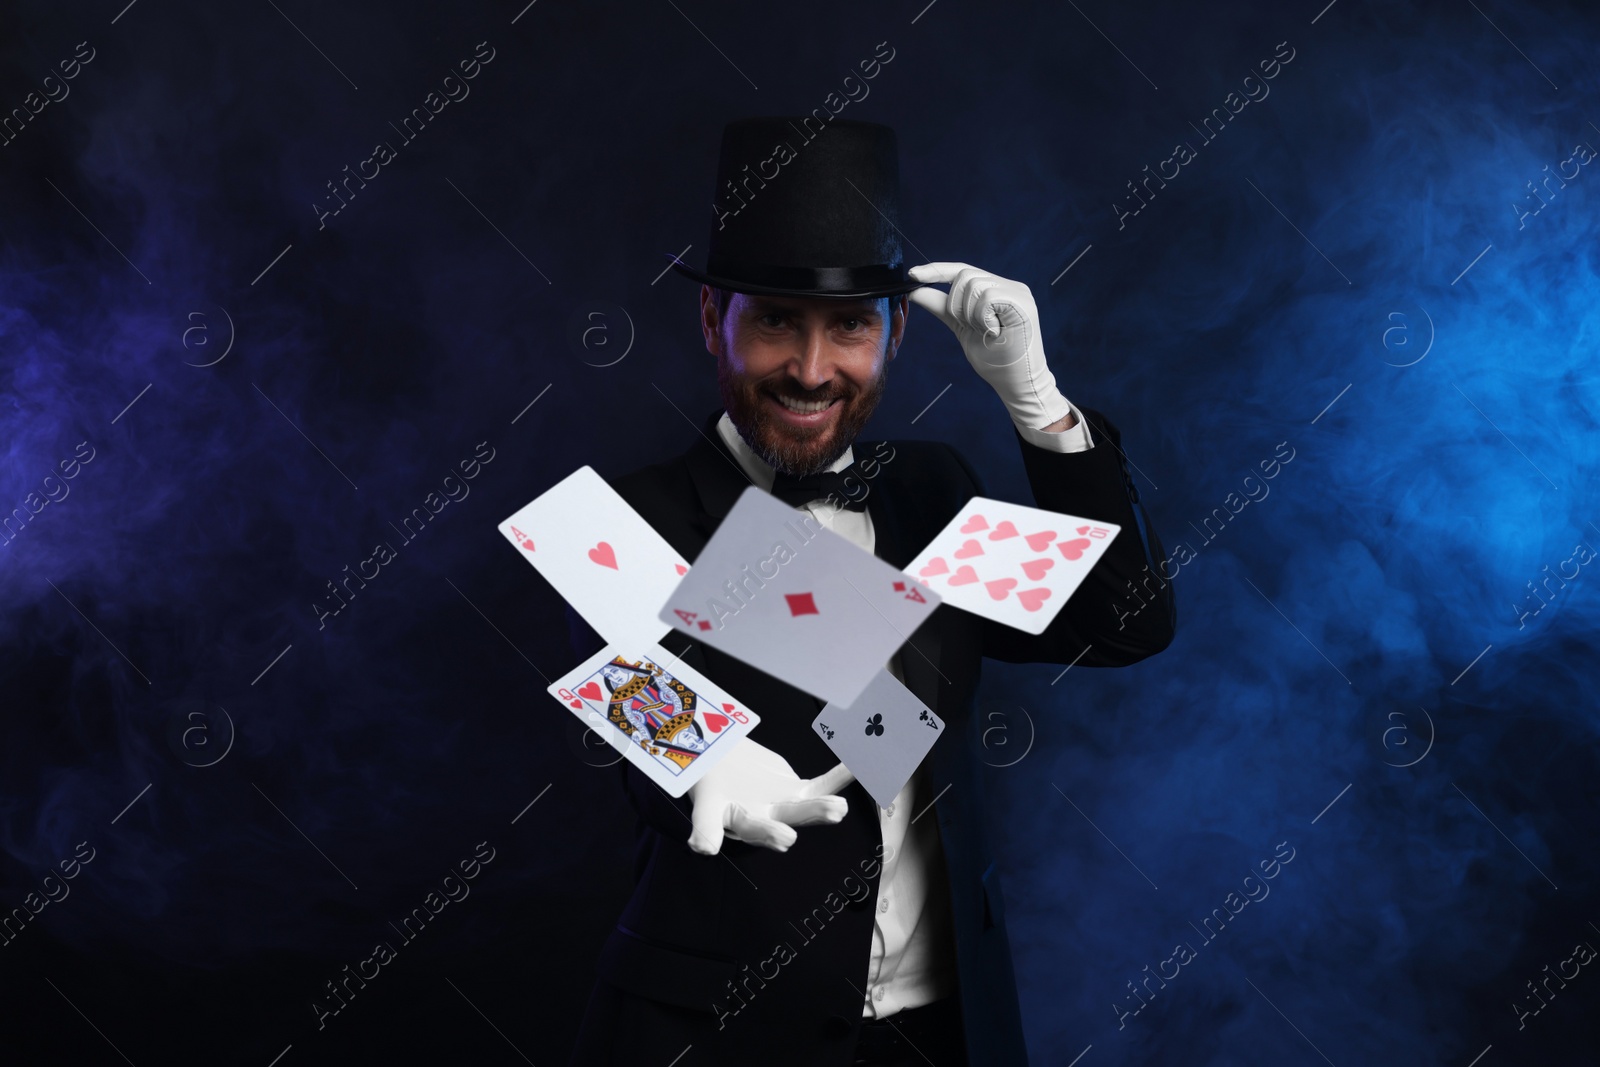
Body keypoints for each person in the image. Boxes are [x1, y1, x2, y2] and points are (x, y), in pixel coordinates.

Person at [565, 116, 1175, 1067]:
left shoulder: (933, 490)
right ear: (711, 319)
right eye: (774, 320)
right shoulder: (635, 520)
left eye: (848, 325)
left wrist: (1038, 403)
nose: (812, 371)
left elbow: (1127, 625)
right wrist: (696, 759)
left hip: (945, 1032)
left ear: (893, 330)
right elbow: (615, 685)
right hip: (717, 1035)